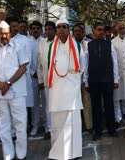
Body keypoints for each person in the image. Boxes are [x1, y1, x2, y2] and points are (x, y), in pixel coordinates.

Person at [47, 18, 84, 159]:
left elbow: (83, 66)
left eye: (64, 27)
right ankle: (58, 154)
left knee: (72, 122)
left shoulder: (77, 46)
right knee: (58, 122)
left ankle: (73, 153)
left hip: (72, 90)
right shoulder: (52, 47)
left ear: (68, 29)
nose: (61, 29)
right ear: (56, 30)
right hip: (57, 91)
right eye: (59, 27)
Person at [0, 21, 29, 159]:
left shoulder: (19, 47)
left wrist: (8, 84)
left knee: (20, 124)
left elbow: (23, 67)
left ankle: (21, 155)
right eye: (2, 33)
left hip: (17, 92)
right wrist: (0, 85)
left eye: (7, 33)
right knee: (3, 126)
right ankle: (8, 155)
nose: (5, 36)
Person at [83, 24, 119, 141]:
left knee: (109, 106)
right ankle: (97, 131)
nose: (102, 32)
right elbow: (86, 64)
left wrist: (116, 79)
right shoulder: (88, 45)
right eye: (99, 30)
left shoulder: (110, 44)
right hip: (94, 81)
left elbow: (114, 62)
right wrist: (86, 81)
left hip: (108, 80)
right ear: (94, 31)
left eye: (103, 30)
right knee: (95, 107)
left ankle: (111, 129)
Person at [37, 21, 56, 140]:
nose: (48, 32)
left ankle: (58, 128)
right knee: (48, 106)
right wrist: (40, 80)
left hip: (59, 81)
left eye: (50, 29)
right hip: (46, 80)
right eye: (46, 29)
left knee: (58, 105)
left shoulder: (59, 42)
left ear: (54, 30)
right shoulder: (42, 43)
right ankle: (48, 129)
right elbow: (40, 64)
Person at [73, 23, 93, 133]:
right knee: (76, 105)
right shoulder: (69, 45)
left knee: (87, 103)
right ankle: (78, 126)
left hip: (86, 79)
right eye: (75, 31)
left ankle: (89, 126)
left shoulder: (88, 44)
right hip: (73, 81)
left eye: (79, 31)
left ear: (83, 33)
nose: (77, 33)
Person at [29, 21, 44, 136]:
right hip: (31, 77)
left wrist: (41, 75)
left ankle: (47, 125)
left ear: (41, 30)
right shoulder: (27, 43)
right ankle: (35, 125)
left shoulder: (45, 42)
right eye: (33, 28)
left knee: (45, 102)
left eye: (38, 28)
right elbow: (24, 60)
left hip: (44, 77)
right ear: (30, 30)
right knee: (34, 103)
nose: (35, 30)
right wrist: (32, 72)